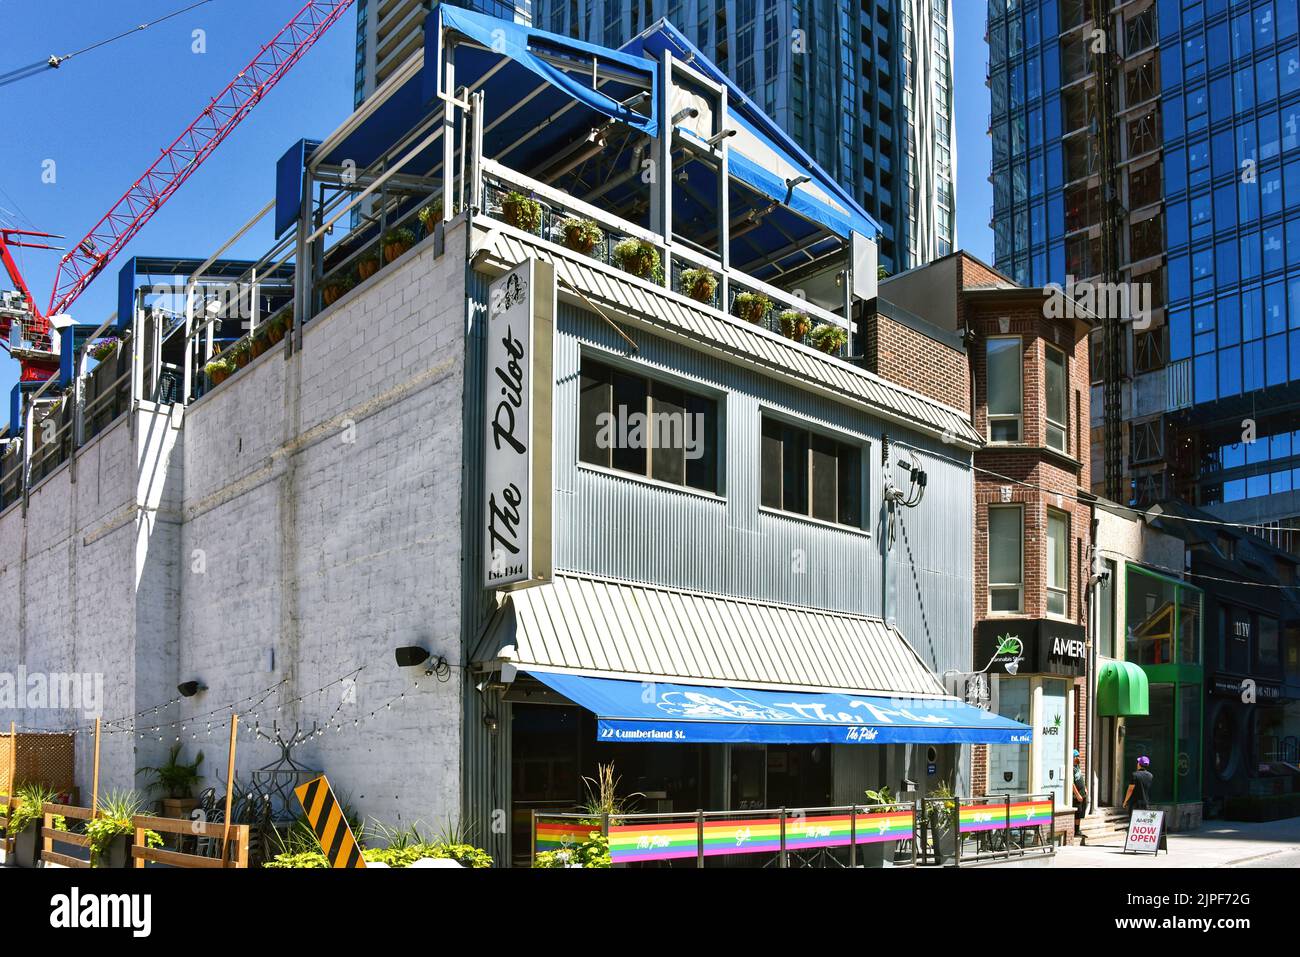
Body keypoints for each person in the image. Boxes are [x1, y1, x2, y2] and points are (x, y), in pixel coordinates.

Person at [1122, 755, 1166, 851]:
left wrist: (1125, 801)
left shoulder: (1135, 775)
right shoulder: (1150, 775)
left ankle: (1132, 842)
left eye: (1138, 762)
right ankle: (1141, 843)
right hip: (1146, 802)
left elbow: (1130, 789)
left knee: (1134, 823)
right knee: (1143, 823)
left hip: (1135, 803)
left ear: (1139, 764)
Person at [1071, 749, 1087, 822]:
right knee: (1077, 813)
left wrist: (1085, 788)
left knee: (1081, 813)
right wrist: (1077, 794)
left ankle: (1078, 829)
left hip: (1082, 793)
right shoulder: (1071, 768)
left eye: (1078, 756)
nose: (1078, 758)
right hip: (1077, 795)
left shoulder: (1077, 766)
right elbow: (1072, 783)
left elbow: (1081, 777)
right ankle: (1076, 831)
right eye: (1076, 756)